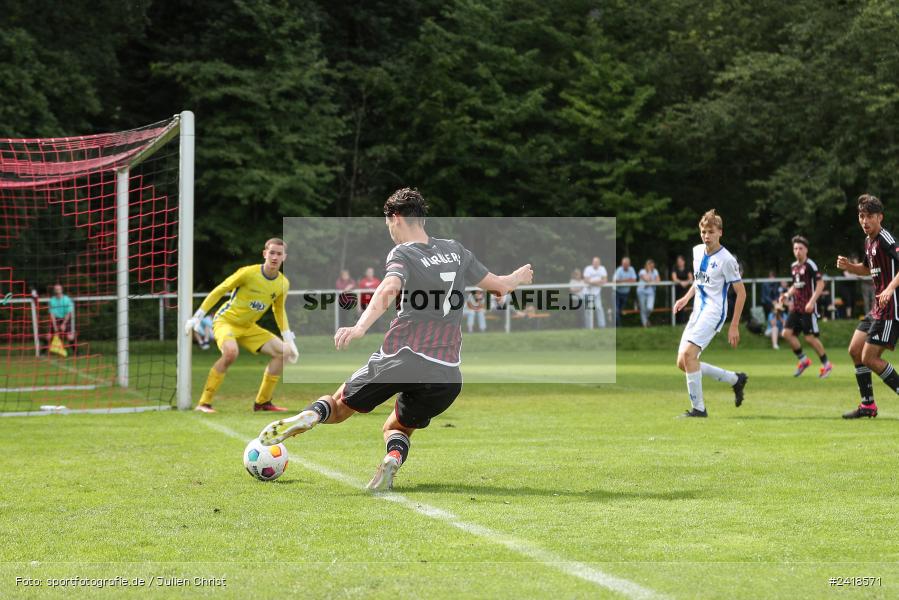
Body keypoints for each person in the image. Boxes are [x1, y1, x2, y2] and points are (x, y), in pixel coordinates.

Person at [258, 188, 533, 490]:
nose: (389, 230)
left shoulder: (404, 253)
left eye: (388, 222)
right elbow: (500, 287)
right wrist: (517, 278)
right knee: (397, 425)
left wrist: (360, 327)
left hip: (402, 356)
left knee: (338, 408)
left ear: (397, 217)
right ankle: (392, 460)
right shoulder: (456, 250)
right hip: (446, 374)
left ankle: (310, 416)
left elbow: (390, 286)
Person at [185, 238, 299, 413]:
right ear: (264, 254)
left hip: (249, 326)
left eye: (279, 253)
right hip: (226, 322)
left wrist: (289, 339)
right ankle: (204, 403)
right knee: (231, 353)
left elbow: (278, 310)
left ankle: (262, 403)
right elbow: (220, 290)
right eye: (272, 252)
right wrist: (197, 317)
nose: (275, 257)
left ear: (285, 257)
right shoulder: (248, 273)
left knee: (284, 352)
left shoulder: (283, 283)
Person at [673, 209, 748, 418]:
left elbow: (741, 293)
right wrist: (686, 298)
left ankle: (699, 409)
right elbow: (699, 281)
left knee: (689, 357)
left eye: (711, 232)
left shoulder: (727, 260)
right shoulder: (697, 251)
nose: (706, 236)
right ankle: (735, 379)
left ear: (720, 233)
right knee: (684, 363)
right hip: (697, 310)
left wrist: (734, 325)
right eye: (704, 232)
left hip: (714, 313)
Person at [838, 194, 899, 419]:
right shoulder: (868, 241)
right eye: (861, 216)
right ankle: (868, 405)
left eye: (870, 216)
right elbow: (866, 269)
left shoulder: (885, 238)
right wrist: (849, 266)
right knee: (855, 350)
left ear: (880, 217)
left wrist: (891, 288)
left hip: (891, 307)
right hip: (877, 308)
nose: (865, 221)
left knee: (870, 358)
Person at [779, 236, 833, 378]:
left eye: (800, 248)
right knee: (786, 333)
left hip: (808, 308)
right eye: (795, 248)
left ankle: (827, 365)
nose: (798, 251)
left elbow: (821, 284)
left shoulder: (811, 265)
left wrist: (811, 302)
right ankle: (804, 361)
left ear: (806, 250)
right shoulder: (794, 266)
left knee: (809, 338)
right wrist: (786, 295)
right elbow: (795, 286)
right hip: (796, 307)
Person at [47, 284, 75, 352]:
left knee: (70, 337)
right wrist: (54, 326)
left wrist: (64, 324)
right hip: (55, 319)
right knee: (48, 336)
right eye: (56, 289)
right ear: (54, 291)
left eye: (58, 289)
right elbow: (52, 315)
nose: (57, 290)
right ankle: (42, 353)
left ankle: (76, 353)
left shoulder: (67, 299)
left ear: (61, 290)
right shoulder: (51, 301)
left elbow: (68, 313)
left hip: (65, 319)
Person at [582, 257, 607, 328]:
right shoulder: (588, 269)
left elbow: (604, 280)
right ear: (592, 262)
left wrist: (592, 282)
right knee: (588, 310)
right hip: (587, 292)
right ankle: (588, 327)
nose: (595, 264)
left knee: (599, 308)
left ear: (599, 263)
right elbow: (586, 281)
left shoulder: (602, 269)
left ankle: (602, 326)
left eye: (597, 262)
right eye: (594, 262)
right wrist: (599, 282)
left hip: (597, 292)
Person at [613, 257, 637, 326]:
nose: (625, 265)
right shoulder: (619, 270)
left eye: (626, 264)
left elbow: (634, 280)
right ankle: (618, 327)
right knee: (616, 310)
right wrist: (627, 280)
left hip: (625, 293)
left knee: (620, 311)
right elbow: (615, 281)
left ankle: (617, 325)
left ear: (629, 264)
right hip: (616, 292)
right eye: (623, 264)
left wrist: (622, 280)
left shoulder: (631, 269)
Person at [637, 259, 660, 327]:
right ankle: (645, 324)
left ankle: (646, 320)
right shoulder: (642, 271)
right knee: (643, 308)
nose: (651, 267)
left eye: (652, 266)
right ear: (646, 266)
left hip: (651, 292)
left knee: (650, 308)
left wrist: (650, 282)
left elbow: (658, 280)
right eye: (650, 266)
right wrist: (652, 279)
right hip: (641, 291)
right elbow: (647, 279)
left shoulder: (655, 271)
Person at [670, 255, 693, 324]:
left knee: (686, 306)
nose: (679, 263)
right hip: (677, 291)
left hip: (686, 291)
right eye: (678, 262)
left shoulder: (687, 268)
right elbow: (674, 278)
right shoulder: (675, 268)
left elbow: (691, 278)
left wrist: (686, 283)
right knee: (678, 306)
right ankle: (677, 322)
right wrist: (681, 283)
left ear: (684, 262)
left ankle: (686, 321)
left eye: (680, 261)